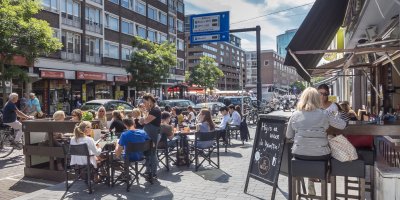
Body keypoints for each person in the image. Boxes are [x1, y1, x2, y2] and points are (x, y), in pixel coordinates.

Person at [286, 87, 346, 195]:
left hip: (299, 154)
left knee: (310, 153)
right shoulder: (324, 114)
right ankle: (323, 178)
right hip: (321, 154)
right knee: (325, 154)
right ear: (317, 99)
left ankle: (311, 181)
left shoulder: (295, 115)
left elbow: (288, 135)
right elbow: (342, 125)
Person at [139, 93, 161, 179]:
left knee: (152, 152)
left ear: (149, 101)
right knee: (148, 153)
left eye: (144, 102)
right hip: (149, 134)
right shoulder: (152, 109)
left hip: (153, 134)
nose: (143, 104)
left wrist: (142, 119)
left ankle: (153, 172)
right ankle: (149, 171)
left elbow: (145, 121)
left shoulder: (155, 110)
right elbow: (143, 121)